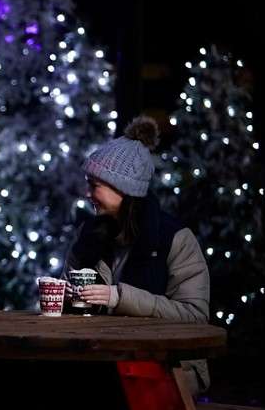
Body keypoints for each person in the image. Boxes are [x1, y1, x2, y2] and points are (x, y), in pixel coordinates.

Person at [68, 115, 212, 393]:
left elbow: (195, 316)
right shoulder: (89, 235)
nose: (87, 194)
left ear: (123, 189)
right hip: (103, 356)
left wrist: (119, 298)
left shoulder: (174, 238)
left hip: (168, 363)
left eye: (95, 185)